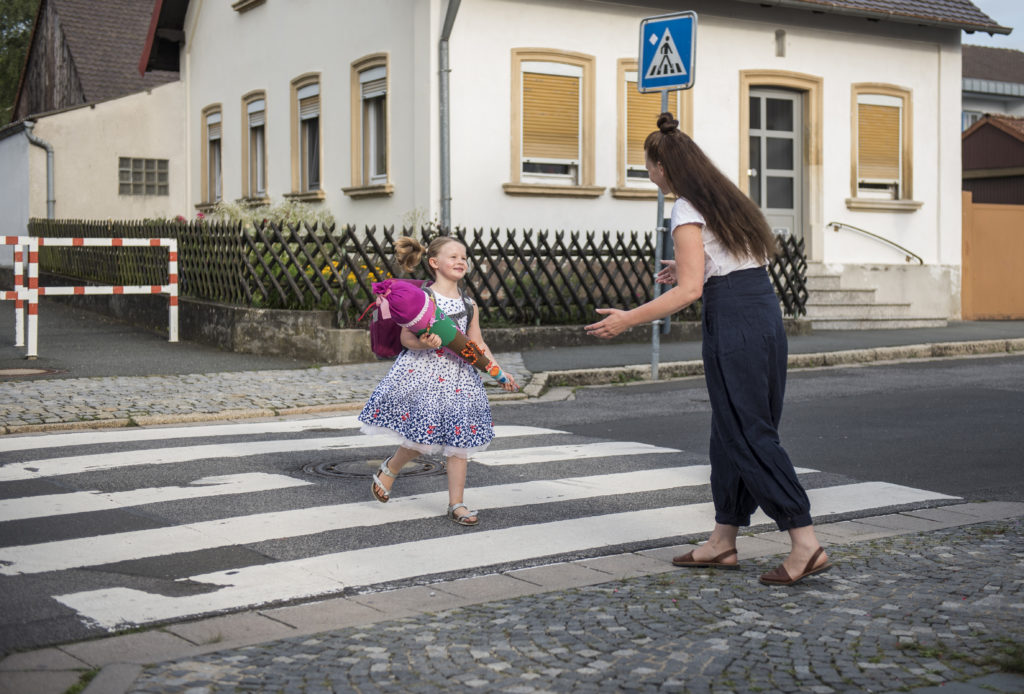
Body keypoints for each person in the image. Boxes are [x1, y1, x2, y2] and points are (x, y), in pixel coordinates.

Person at [585, 112, 832, 586]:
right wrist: (685, 268)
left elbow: (691, 292)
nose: (650, 174)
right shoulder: (724, 198)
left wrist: (626, 319)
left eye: (650, 166)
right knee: (730, 432)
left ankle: (805, 542)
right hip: (761, 311)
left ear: (664, 166)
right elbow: (729, 264)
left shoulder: (684, 209)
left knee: (748, 432)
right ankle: (723, 540)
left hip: (734, 321)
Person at [358, 236, 516, 526]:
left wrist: (498, 371)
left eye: (464, 258)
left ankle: (457, 504)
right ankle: (390, 469)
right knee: (420, 439)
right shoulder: (424, 299)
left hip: (460, 380)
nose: (460, 261)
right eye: (453, 257)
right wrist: (426, 343)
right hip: (426, 374)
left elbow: (477, 343)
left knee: (460, 443)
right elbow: (407, 338)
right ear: (434, 263)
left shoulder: (469, 305)